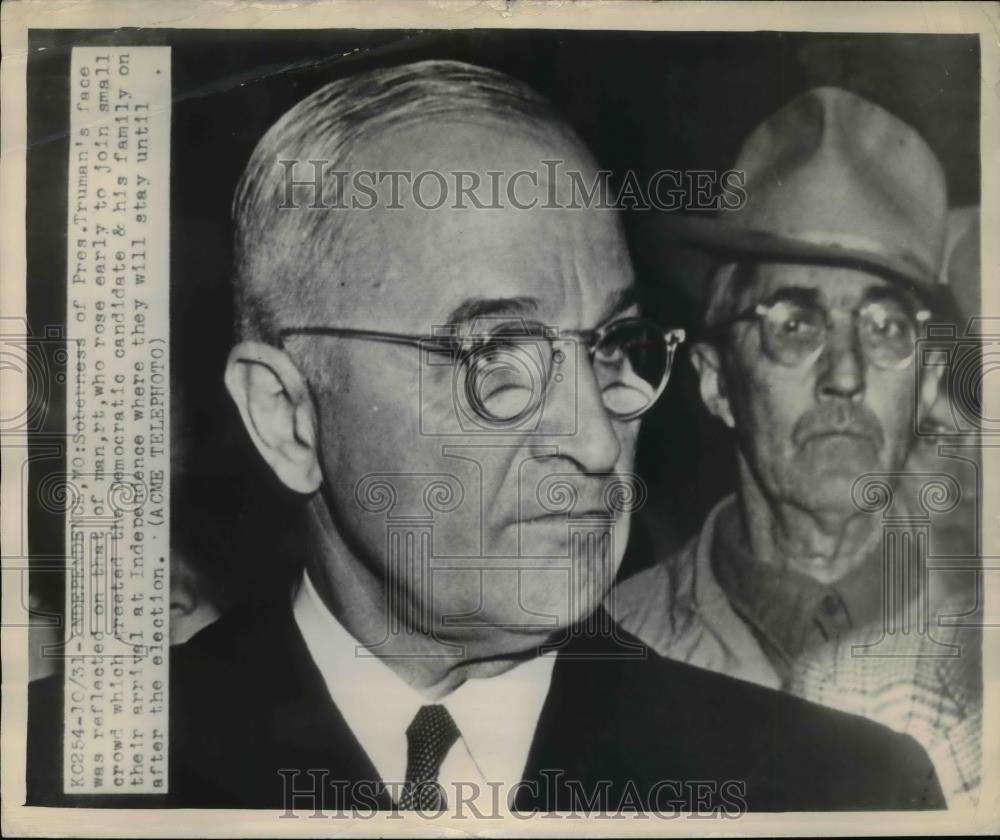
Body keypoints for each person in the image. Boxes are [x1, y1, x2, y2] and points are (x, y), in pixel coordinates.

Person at [28, 64, 943, 813]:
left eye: (614, 346)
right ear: (287, 416)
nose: (596, 438)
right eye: (495, 357)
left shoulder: (829, 789)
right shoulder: (61, 780)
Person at [611, 87, 979, 807]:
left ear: (928, 383)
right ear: (717, 383)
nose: (845, 374)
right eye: (794, 324)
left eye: (884, 328)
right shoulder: (610, 650)